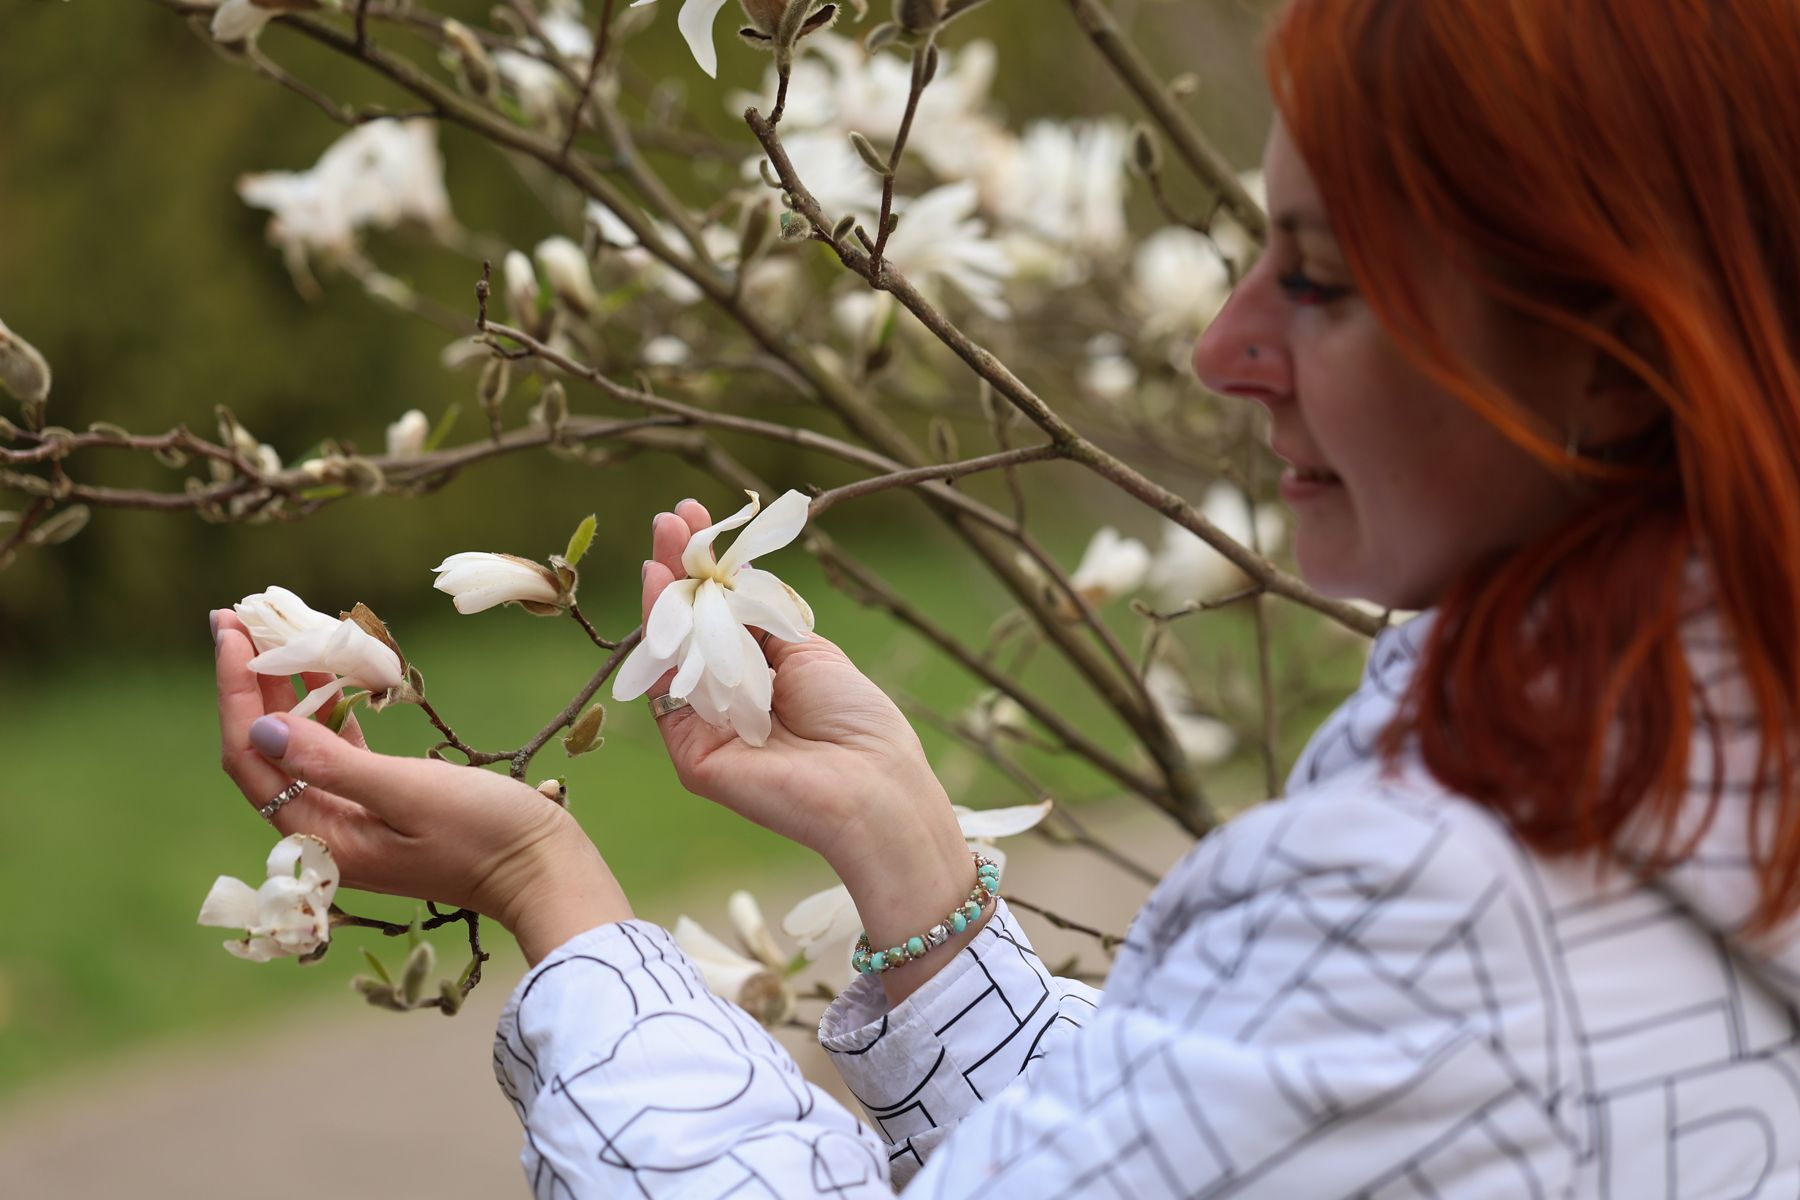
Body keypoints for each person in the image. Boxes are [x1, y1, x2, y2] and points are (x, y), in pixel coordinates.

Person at [212, 0, 1800, 1193]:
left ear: (1606, 353)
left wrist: (551, 891)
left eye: (1318, 279)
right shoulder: (1666, 751)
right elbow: (1208, 1147)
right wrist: (909, 855)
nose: (1223, 349)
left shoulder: (1444, 899)